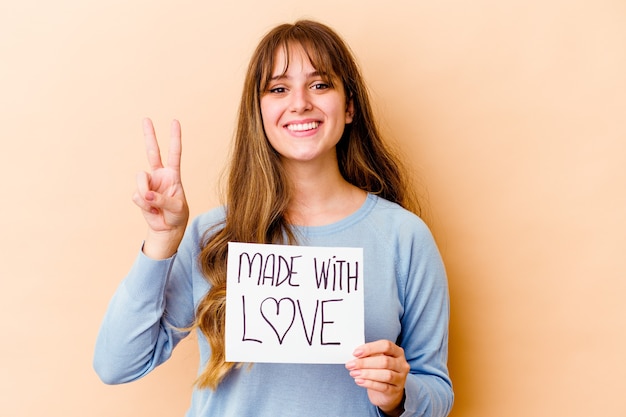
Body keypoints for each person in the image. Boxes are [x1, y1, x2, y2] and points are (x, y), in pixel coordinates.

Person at [94, 19, 453, 417]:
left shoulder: (403, 237)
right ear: (259, 112)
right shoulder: (213, 236)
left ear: (349, 106)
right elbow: (116, 364)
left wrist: (399, 395)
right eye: (279, 89)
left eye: (320, 85)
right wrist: (162, 239)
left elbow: (436, 389)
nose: (299, 103)